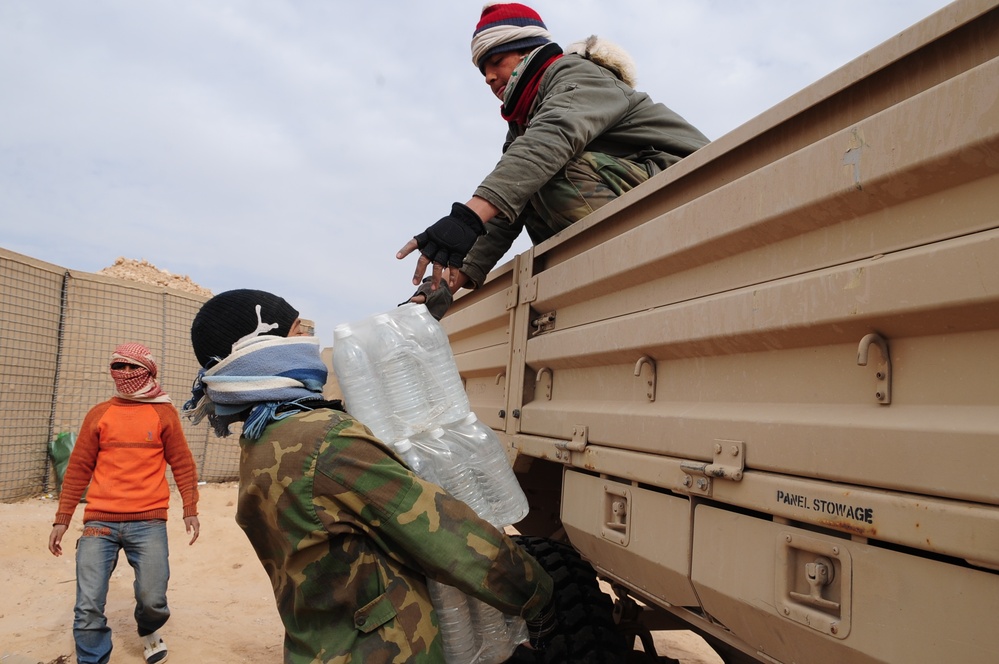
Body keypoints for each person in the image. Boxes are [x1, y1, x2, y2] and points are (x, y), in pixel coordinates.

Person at [183, 289, 555, 663]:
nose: (309, 339)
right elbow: (443, 536)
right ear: (263, 344)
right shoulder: (322, 440)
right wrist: (534, 592)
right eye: (299, 329)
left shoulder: (263, 438)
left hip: (322, 645)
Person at [397, 2, 710, 319]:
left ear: (526, 51)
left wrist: (466, 218)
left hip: (697, 192)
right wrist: (444, 284)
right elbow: (506, 213)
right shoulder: (525, 125)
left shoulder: (576, 75)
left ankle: (639, 270)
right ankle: (602, 288)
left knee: (543, 171)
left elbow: (550, 141)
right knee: (524, 186)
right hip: (646, 198)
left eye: (496, 61)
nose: (489, 77)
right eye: (483, 71)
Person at [48, 342, 201, 664]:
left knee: (153, 599)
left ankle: (148, 628)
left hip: (148, 523)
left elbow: (183, 464)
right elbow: (77, 469)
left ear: (149, 371)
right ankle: (92, 659)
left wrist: (190, 508)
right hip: (98, 523)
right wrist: (62, 518)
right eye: (120, 366)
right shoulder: (100, 414)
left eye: (135, 367)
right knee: (88, 604)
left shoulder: (163, 413)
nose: (127, 373)